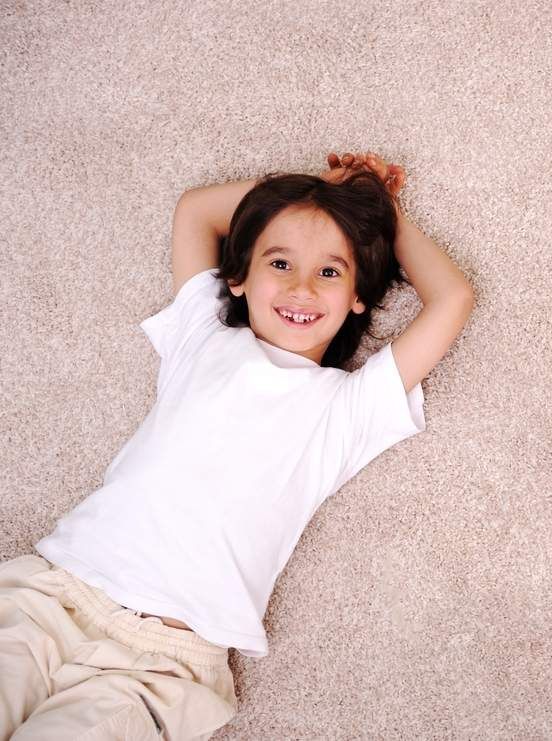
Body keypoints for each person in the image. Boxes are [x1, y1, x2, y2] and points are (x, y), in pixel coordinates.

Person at [0, 151, 475, 740]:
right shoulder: (200, 335)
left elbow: (452, 297)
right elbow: (198, 211)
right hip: (53, 599)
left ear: (358, 296)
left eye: (331, 272)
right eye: (280, 262)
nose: (302, 287)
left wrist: (375, 210)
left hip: (159, 661)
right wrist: (317, 194)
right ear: (239, 276)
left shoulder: (350, 407)